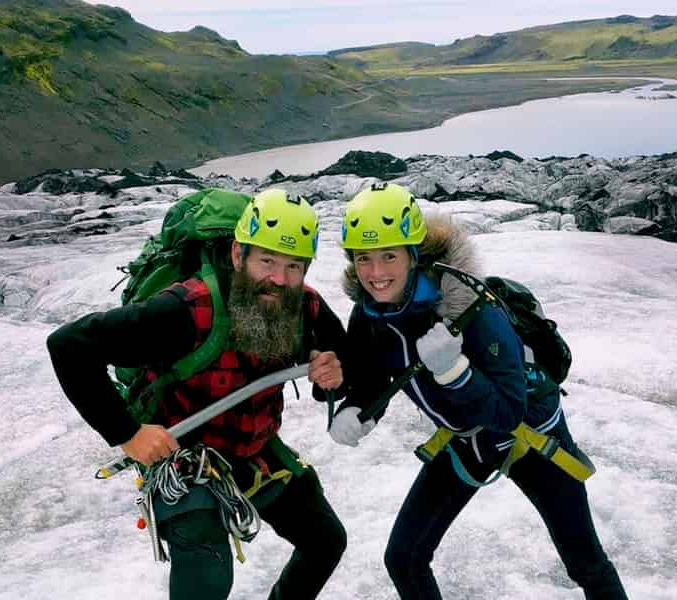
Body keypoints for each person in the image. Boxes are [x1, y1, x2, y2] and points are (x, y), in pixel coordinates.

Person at [328, 182, 628, 599]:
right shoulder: (369, 313)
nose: (376, 273)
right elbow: (375, 374)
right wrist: (357, 408)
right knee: (404, 558)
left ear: (413, 255)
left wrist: (454, 371)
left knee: (585, 563)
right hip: (466, 440)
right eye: (364, 259)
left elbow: (508, 412)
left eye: (389, 256)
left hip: (533, 437)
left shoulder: (470, 308)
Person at [47, 188, 348, 600]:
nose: (279, 279)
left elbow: (342, 367)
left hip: (251, 449)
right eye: (267, 261)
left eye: (294, 266)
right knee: (207, 570)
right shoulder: (186, 310)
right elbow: (70, 345)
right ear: (239, 254)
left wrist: (332, 375)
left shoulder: (305, 307)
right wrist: (128, 433)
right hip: (181, 455)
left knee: (325, 540)